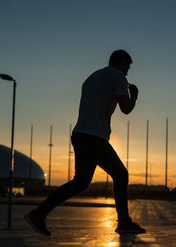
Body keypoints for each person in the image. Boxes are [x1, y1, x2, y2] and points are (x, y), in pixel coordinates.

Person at [24, 49, 146, 235]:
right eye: (127, 67)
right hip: (95, 136)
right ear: (121, 63)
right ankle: (124, 222)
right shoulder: (119, 77)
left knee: (80, 182)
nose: (128, 71)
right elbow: (126, 109)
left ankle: (38, 214)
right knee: (120, 175)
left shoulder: (92, 77)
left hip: (80, 134)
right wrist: (134, 96)